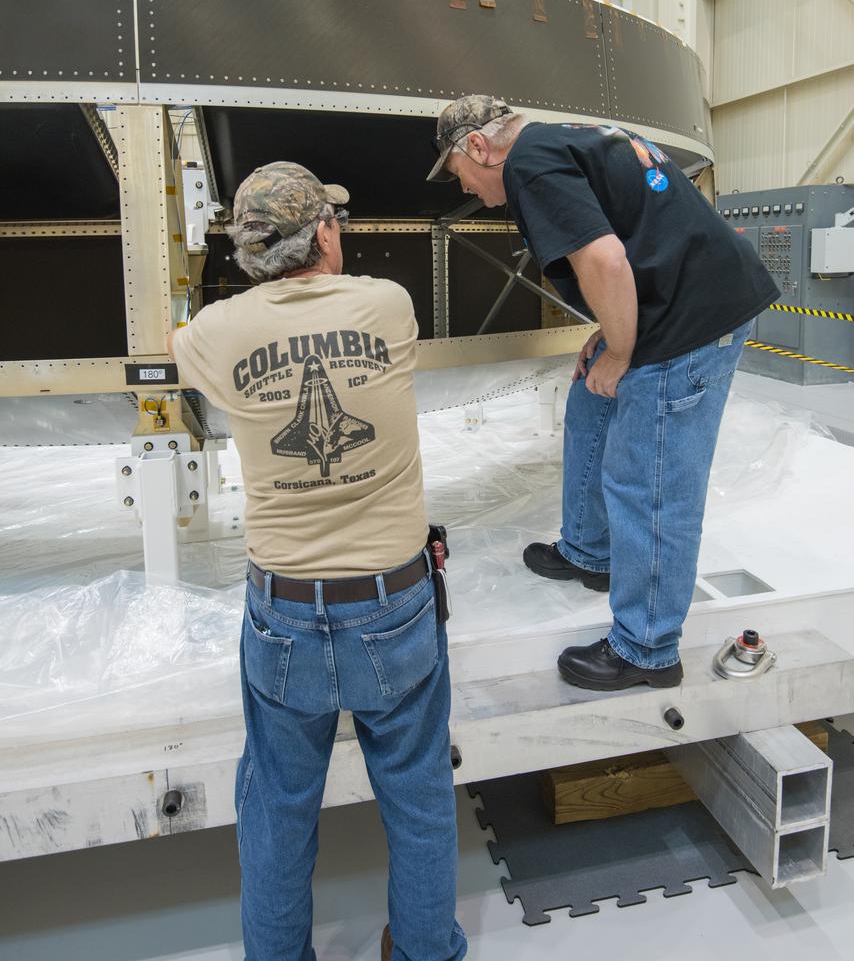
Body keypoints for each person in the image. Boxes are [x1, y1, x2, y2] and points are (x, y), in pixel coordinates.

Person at [169, 161, 466, 961]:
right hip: (394, 601)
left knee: (276, 806)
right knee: (418, 792)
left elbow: (178, 344)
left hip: (286, 611)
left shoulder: (213, 336)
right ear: (324, 234)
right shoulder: (389, 306)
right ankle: (426, 950)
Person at [427, 95, 778, 692]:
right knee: (592, 400)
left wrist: (621, 350)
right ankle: (591, 552)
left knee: (651, 478)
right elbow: (631, 238)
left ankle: (647, 648)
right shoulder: (567, 137)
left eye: (457, 171)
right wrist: (611, 332)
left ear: (478, 147)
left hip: (691, 320)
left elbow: (607, 258)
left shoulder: (528, 167)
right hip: (683, 296)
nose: (464, 186)